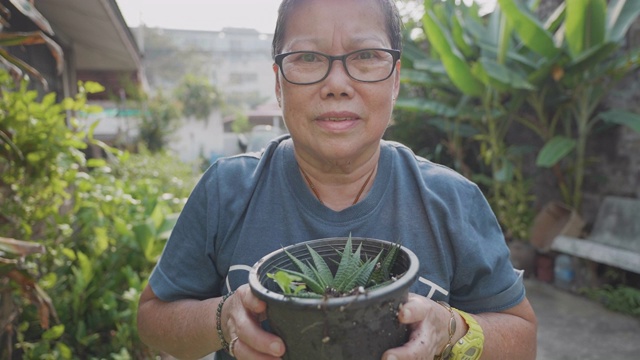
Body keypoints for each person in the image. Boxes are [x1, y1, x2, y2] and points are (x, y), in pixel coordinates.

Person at [136, 0, 538, 359]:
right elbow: (154, 320)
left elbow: (523, 338)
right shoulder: (226, 190)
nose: (336, 85)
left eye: (365, 55)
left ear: (395, 79)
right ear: (278, 83)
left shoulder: (453, 200)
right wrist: (222, 318)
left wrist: (451, 330)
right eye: (308, 58)